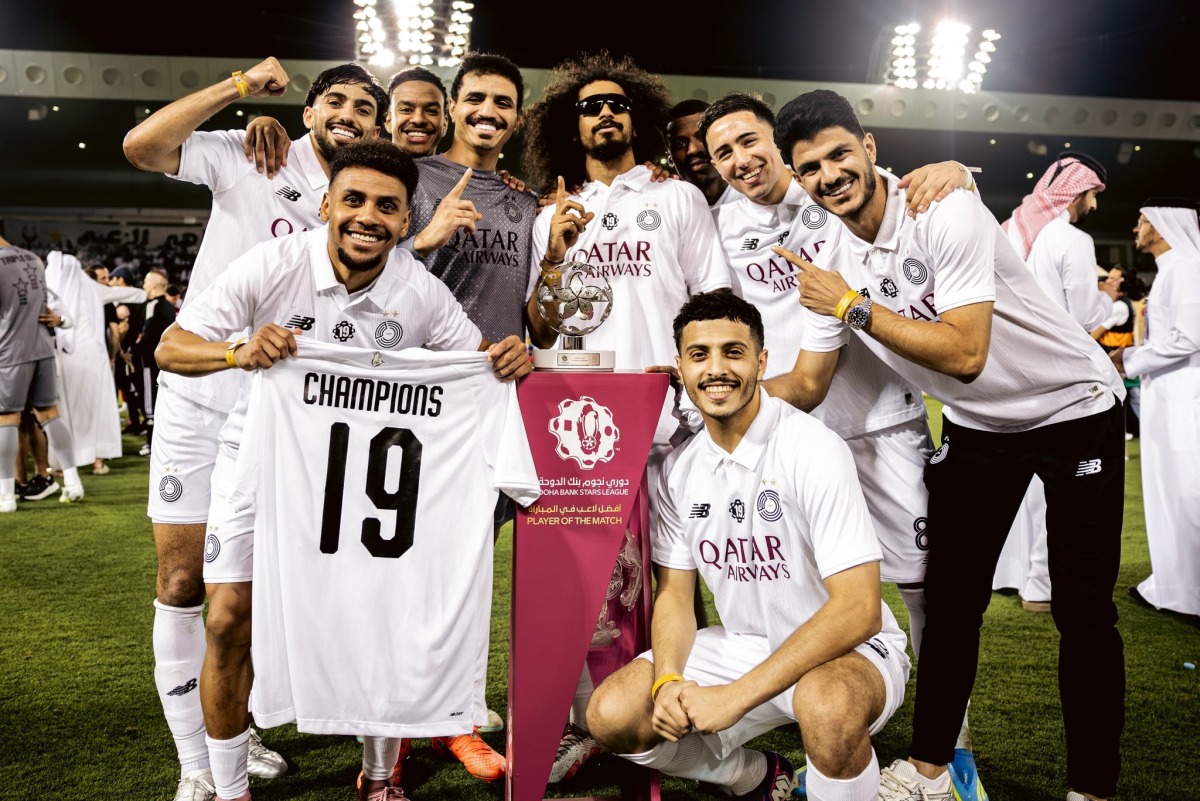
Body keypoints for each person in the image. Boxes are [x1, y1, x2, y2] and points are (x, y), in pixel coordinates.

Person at [768, 89, 1126, 801]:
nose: (830, 174)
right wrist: (693, 386)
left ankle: (1094, 789)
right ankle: (931, 770)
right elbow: (808, 382)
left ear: (869, 148)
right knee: (953, 601)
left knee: (1082, 608)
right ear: (799, 179)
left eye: (840, 153)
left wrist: (852, 305)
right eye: (811, 167)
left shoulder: (943, 205)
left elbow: (965, 353)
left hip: (1073, 408)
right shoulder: (831, 256)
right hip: (979, 430)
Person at [155, 138, 532, 801]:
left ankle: (379, 778)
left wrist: (504, 359)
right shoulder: (272, 264)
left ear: (405, 220)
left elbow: (477, 366)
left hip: (363, 485)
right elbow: (171, 346)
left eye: (387, 206)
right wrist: (237, 350)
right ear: (326, 203)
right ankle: (229, 783)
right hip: (262, 462)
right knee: (226, 618)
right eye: (353, 199)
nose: (367, 216)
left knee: (382, 619)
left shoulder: (420, 291)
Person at [698, 92, 987, 795]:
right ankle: (822, 725)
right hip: (786, 426)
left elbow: (910, 198)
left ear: (782, 142)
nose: (741, 160)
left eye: (749, 141)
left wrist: (958, 169)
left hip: (879, 418)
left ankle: (953, 744)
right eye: (721, 153)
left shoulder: (826, 189)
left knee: (923, 583)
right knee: (801, 582)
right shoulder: (716, 225)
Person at [124, 57, 388, 801]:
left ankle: (235, 735)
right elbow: (141, 148)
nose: (348, 112)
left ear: (377, 124)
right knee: (179, 581)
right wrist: (238, 90)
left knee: (246, 593)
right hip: (196, 388)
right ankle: (196, 767)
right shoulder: (250, 150)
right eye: (334, 99)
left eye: (364, 106)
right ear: (309, 112)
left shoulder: (363, 195)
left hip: (277, 407)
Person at [586, 292, 910, 800]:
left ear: (762, 361)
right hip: (747, 644)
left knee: (827, 707)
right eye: (700, 355)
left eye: (733, 352)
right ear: (680, 368)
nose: (717, 369)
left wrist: (736, 697)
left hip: (847, 650)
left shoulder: (814, 449)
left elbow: (860, 609)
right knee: (613, 713)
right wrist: (668, 679)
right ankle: (753, 777)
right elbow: (674, 594)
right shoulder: (678, 470)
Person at [520, 50, 733, 782]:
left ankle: (672, 711)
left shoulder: (679, 200)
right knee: (581, 584)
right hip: (577, 430)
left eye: (617, 105)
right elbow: (539, 333)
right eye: (589, 106)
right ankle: (580, 723)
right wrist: (553, 259)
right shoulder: (549, 214)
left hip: (667, 421)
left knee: (671, 578)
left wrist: (695, 381)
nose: (605, 113)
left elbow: (715, 301)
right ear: (568, 125)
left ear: (636, 118)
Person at [994, 152, 1117, 612]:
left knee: (1015, 483)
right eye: (1092, 195)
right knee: (1055, 486)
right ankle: (1042, 586)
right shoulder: (1070, 239)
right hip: (1060, 379)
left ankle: (1011, 573)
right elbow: (1084, 317)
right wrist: (1109, 303)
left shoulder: (1009, 232)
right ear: (1078, 191)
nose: (1094, 206)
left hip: (1006, 376)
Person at [1116, 198, 1200, 619]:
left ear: (1165, 225)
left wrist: (1129, 359)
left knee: (1187, 491)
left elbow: (1189, 338)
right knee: (1169, 490)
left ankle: (1189, 593)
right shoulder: (1175, 270)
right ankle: (1172, 585)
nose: (1137, 228)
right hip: (1166, 395)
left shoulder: (1184, 268)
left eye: (1143, 220)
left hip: (1184, 399)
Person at [0, 235, 85, 512]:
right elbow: (56, 304)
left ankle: (6, 496)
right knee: (49, 414)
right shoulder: (33, 259)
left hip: (11, 352)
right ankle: (73, 483)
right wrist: (59, 320)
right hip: (44, 350)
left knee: (7, 418)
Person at [44, 251, 124, 475]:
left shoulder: (57, 293)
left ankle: (64, 464)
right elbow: (128, 294)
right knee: (97, 409)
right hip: (95, 355)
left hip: (69, 357)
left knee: (66, 413)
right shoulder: (92, 289)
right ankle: (96, 460)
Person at [137, 268, 177, 456]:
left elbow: (147, 335)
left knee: (150, 404)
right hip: (168, 363)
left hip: (151, 361)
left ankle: (151, 444)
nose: (143, 285)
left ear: (153, 285)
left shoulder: (152, 306)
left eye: (145, 281)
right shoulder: (169, 307)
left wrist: (134, 348)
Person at [666, 99, 734, 208]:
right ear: (670, 157)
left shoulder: (755, 198)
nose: (693, 150)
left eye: (702, 137)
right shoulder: (666, 206)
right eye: (680, 143)